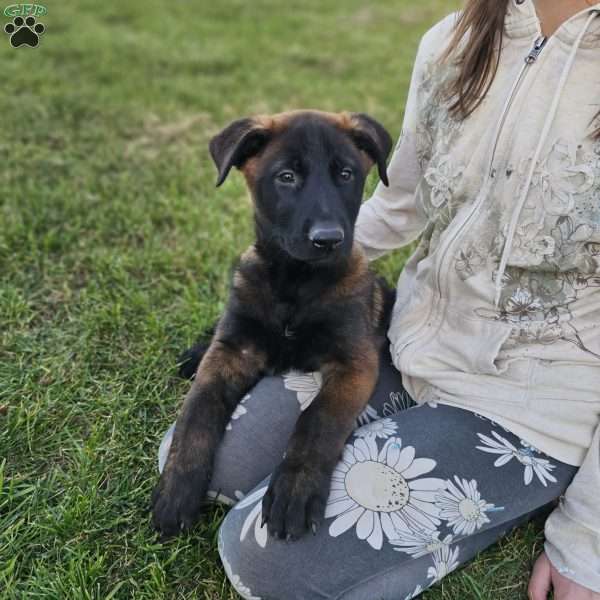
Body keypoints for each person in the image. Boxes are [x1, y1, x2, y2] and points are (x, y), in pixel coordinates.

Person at [158, 1, 600, 597]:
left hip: (534, 398)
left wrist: (588, 540)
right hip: (411, 339)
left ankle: (512, 491)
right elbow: (399, 203)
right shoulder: (458, 37)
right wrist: (289, 264)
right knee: (207, 465)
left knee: (265, 559)